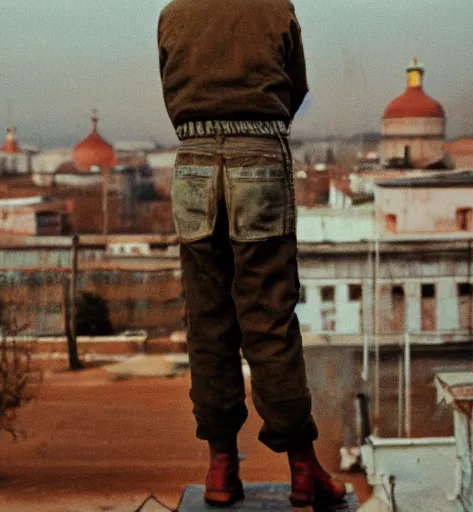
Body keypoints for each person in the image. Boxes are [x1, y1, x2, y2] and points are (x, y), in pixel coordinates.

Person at [157, 0, 346, 508]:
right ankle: (303, 470)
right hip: (258, 159)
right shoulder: (276, 8)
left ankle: (221, 468)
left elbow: (173, 91)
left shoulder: (173, 12)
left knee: (209, 318)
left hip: (193, 164)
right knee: (268, 318)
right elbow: (296, 86)